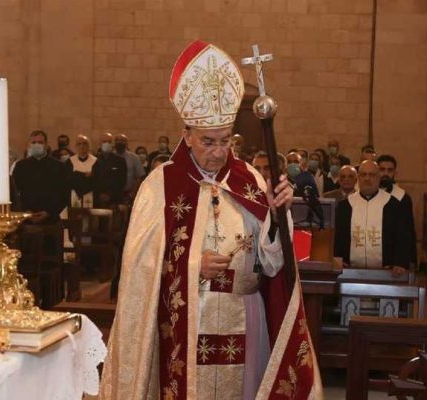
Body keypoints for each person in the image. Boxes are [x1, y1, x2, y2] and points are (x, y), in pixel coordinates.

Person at [100, 40, 320, 400]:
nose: (218, 152)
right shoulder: (161, 185)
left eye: (225, 141)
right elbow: (139, 268)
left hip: (245, 318)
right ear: (186, 136)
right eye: (208, 142)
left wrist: (276, 217)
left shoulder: (249, 179)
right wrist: (192, 265)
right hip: (189, 323)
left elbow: (273, 264)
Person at [334, 161, 411, 275]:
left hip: (386, 271)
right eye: (363, 174)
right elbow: (337, 236)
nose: (367, 178)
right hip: (350, 270)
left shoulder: (393, 204)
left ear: (378, 178)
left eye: (372, 175)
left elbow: (403, 236)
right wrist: (337, 259)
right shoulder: (345, 206)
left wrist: (400, 262)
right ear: (358, 178)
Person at [12, 130, 70, 224]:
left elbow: (64, 194)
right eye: (33, 142)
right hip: (26, 219)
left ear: (46, 145)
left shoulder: (59, 167)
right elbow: (14, 192)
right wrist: (25, 211)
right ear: (29, 145)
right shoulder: (21, 166)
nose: (37, 145)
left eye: (40, 142)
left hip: (51, 220)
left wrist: (48, 212)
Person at [378, 154, 417, 266]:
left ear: (395, 172)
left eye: (390, 170)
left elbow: (409, 231)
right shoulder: (368, 194)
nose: (385, 173)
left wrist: (411, 260)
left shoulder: (402, 198)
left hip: (394, 253)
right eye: (382, 169)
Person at [93, 132, 126, 208]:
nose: (107, 144)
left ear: (113, 144)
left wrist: (110, 194)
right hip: (97, 200)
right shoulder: (93, 160)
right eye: (104, 141)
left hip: (114, 200)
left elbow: (121, 181)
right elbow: (93, 180)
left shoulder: (120, 161)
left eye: (109, 142)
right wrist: (99, 194)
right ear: (100, 144)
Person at [114, 133, 145, 202]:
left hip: (129, 194)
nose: (119, 142)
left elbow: (139, 177)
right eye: (117, 140)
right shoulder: (111, 157)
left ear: (127, 143)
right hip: (113, 194)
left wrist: (133, 192)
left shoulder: (134, 158)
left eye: (122, 140)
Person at [68, 135, 97, 208]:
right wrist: (85, 176)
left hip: (92, 196)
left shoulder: (96, 162)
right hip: (73, 195)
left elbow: (98, 179)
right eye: (79, 144)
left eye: (84, 143)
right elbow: (68, 179)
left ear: (89, 146)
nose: (82, 146)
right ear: (75, 146)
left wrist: (77, 175)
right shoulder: (69, 162)